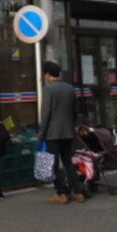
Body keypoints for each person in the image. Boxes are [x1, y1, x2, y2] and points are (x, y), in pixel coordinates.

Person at [37, 60, 86, 205]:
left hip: (52, 134)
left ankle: (61, 193)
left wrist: (41, 133)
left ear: (47, 74)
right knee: (68, 163)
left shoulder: (48, 89)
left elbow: (46, 114)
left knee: (53, 164)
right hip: (68, 132)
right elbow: (74, 111)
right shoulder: (70, 88)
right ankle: (77, 192)